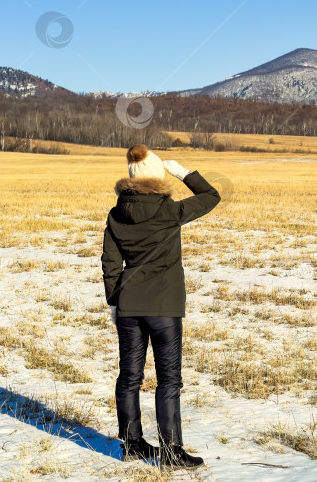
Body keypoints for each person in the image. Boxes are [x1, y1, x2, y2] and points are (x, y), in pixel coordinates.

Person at [101, 143, 220, 469]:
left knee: (129, 378)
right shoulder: (170, 211)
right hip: (164, 308)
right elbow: (211, 196)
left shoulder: (115, 214)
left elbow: (110, 264)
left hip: (128, 308)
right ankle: (171, 452)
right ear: (157, 175)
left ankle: (133, 445)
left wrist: (115, 302)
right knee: (168, 381)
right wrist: (182, 171)